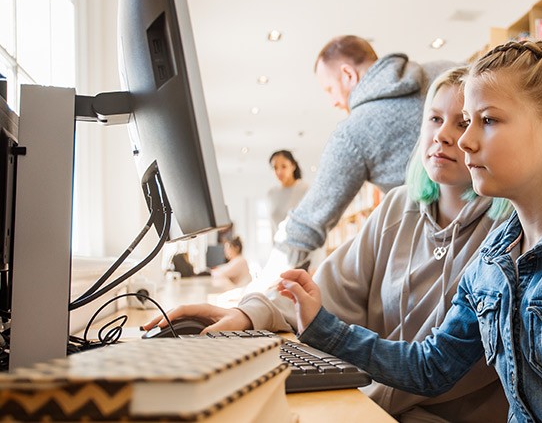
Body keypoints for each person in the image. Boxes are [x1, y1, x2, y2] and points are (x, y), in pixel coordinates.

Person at [278, 40, 542, 422]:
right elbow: (430, 368)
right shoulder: (493, 258)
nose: (464, 141)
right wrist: (320, 325)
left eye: (486, 121)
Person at [145, 67, 512, 422]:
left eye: (462, 122)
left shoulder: (510, 230)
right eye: (434, 119)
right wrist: (246, 314)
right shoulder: (398, 207)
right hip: (373, 401)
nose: (445, 135)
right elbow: (323, 292)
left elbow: (443, 367)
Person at [279, 35, 453, 268]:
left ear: (348, 75)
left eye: (330, 89)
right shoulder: (447, 72)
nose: (332, 101)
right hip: (503, 232)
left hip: (439, 257)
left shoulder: (353, 132)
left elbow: (307, 225)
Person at [266, 150, 308, 239]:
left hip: (305, 249)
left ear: (293, 166)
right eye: (275, 168)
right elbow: (273, 229)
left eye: (284, 166)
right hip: (282, 249)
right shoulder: (271, 193)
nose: (279, 172)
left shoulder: (305, 190)